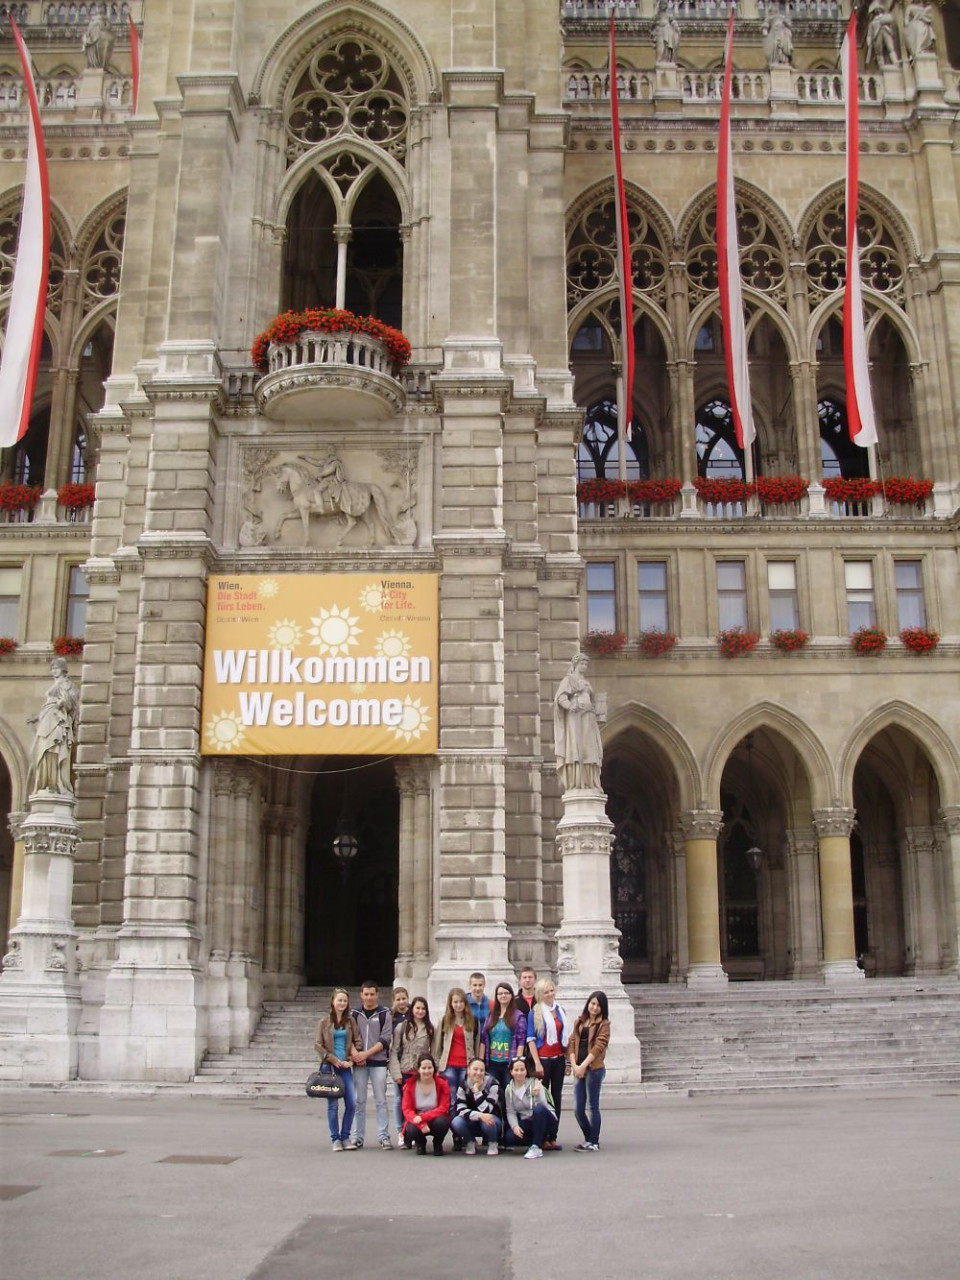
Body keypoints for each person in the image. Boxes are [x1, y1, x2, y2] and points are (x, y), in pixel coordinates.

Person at [314, 988, 362, 1152]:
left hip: (345, 1067)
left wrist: (351, 1061)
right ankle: (335, 1139)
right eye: (339, 1000)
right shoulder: (324, 1022)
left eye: (345, 1001)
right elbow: (317, 1044)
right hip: (330, 1067)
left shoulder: (350, 1021)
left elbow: (357, 1041)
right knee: (333, 1105)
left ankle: (345, 1137)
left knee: (351, 1103)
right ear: (333, 1002)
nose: (342, 1003)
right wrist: (333, 1059)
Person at [526, 977, 570, 1149]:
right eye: (546, 992)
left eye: (552, 990)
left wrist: (568, 1061)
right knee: (543, 1099)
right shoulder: (535, 1012)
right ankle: (542, 1136)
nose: (550, 994)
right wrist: (537, 1062)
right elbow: (531, 1039)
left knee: (556, 1097)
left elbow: (565, 1038)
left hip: (558, 1059)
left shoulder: (560, 1010)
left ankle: (553, 1135)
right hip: (543, 1060)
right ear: (540, 995)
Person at [350, 981, 393, 1150]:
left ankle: (384, 1136)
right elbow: (349, 1036)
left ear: (377, 995)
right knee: (358, 1100)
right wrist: (355, 1054)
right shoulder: (354, 1014)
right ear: (361, 995)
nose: (369, 997)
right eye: (366, 994)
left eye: (372, 994)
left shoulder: (384, 1013)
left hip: (378, 1062)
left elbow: (385, 1038)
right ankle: (357, 1137)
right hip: (359, 1063)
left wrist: (365, 1054)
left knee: (381, 1100)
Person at [28, 658, 80, 795]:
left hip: (58, 720)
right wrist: (37, 717)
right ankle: (45, 782)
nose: (54, 671)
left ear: (63, 670)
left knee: (54, 748)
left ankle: (55, 783)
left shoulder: (67, 684)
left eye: (56, 668)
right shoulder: (56, 684)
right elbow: (48, 705)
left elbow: (71, 702)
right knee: (42, 750)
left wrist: (62, 703)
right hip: (48, 719)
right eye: (52, 668)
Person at [554, 653, 604, 792]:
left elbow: (592, 700)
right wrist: (570, 706)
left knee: (590, 748)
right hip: (575, 718)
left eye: (586, 664)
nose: (584, 666)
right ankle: (577, 781)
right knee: (576, 747)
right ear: (575, 664)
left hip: (588, 717)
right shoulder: (568, 680)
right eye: (582, 663)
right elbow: (561, 698)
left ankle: (590, 782)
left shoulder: (587, 683)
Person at [568, 990, 611, 1152]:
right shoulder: (579, 1021)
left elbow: (599, 1047)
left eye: (598, 1005)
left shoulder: (604, 1024)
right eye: (592, 1003)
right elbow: (572, 1042)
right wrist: (574, 1065)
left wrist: (583, 1066)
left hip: (594, 1070)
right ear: (588, 1004)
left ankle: (594, 1141)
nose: (594, 1007)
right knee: (578, 1109)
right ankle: (589, 1138)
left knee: (592, 1106)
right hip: (579, 1068)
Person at [389, 995, 433, 1147]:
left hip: (421, 1073)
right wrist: (396, 1073)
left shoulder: (430, 1029)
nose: (420, 1011)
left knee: (417, 1105)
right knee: (403, 1104)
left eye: (423, 1009)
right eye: (417, 1008)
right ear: (412, 1009)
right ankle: (402, 1133)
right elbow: (394, 1051)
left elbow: (433, 1052)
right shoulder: (402, 1027)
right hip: (404, 1070)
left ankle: (414, 1132)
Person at [481, 982, 527, 1103]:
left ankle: (509, 1116)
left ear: (511, 995)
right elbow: (484, 1038)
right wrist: (481, 1061)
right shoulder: (491, 1016)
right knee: (493, 1094)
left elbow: (521, 1040)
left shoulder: (518, 1016)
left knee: (509, 1095)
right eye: (500, 993)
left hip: (508, 1063)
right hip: (492, 1063)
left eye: (506, 993)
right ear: (496, 996)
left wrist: (517, 1061)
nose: (503, 996)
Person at [503, 1056, 557, 1160]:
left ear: (526, 1071)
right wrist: (515, 1126)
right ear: (511, 1072)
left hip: (546, 1119)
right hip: (528, 1121)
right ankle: (540, 1140)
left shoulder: (535, 1083)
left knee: (538, 1110)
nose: (519, 1073)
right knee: (510, 1137)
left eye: (522, 1069)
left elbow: (544, 1107)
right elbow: (510, 1112)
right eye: (516, 1070)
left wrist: (537, 1096)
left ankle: (536, 1147)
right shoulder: (509, 1089)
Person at [400, 1053, 451, 1155]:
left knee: (442, 1122)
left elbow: (444, 1107)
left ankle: (438, 1143)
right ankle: (421, 1144)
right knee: (411, 1129)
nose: (427, 1071)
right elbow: (406, 1109)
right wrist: (421, 1123)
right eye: (423, 1068)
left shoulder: (442, 1084)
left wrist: (423, 1118)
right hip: (417, 1118)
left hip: (435, 1117)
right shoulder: (410, 1085)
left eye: (429, 1068)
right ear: (418, 1070)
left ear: (434, 1069)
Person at [452, 1057, 502, 1156]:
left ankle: (493, 1142)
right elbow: (461, 1110)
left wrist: (477, 1092)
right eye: (475, 1069)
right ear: (468, 1070)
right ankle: (470, 1141)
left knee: (488, 1120)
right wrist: (479, 1116)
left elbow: (487, 1110)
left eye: (482, 1070)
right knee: (456, 1122)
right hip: (473, 1120)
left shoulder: (493, 1084)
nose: (478, 1073)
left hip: (492, 1121)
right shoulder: (463, 1084)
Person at [389, 987, 409, 1143]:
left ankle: (409, 1128)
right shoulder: (390, 1017)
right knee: (398, 1098)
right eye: (398, 999)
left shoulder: (414, 1013)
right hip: (397, 1061)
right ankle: (399, 1130)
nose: (401, 1002)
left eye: (404, 999)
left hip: (412, 1063)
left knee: (410, 1099)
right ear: (393, 1001)